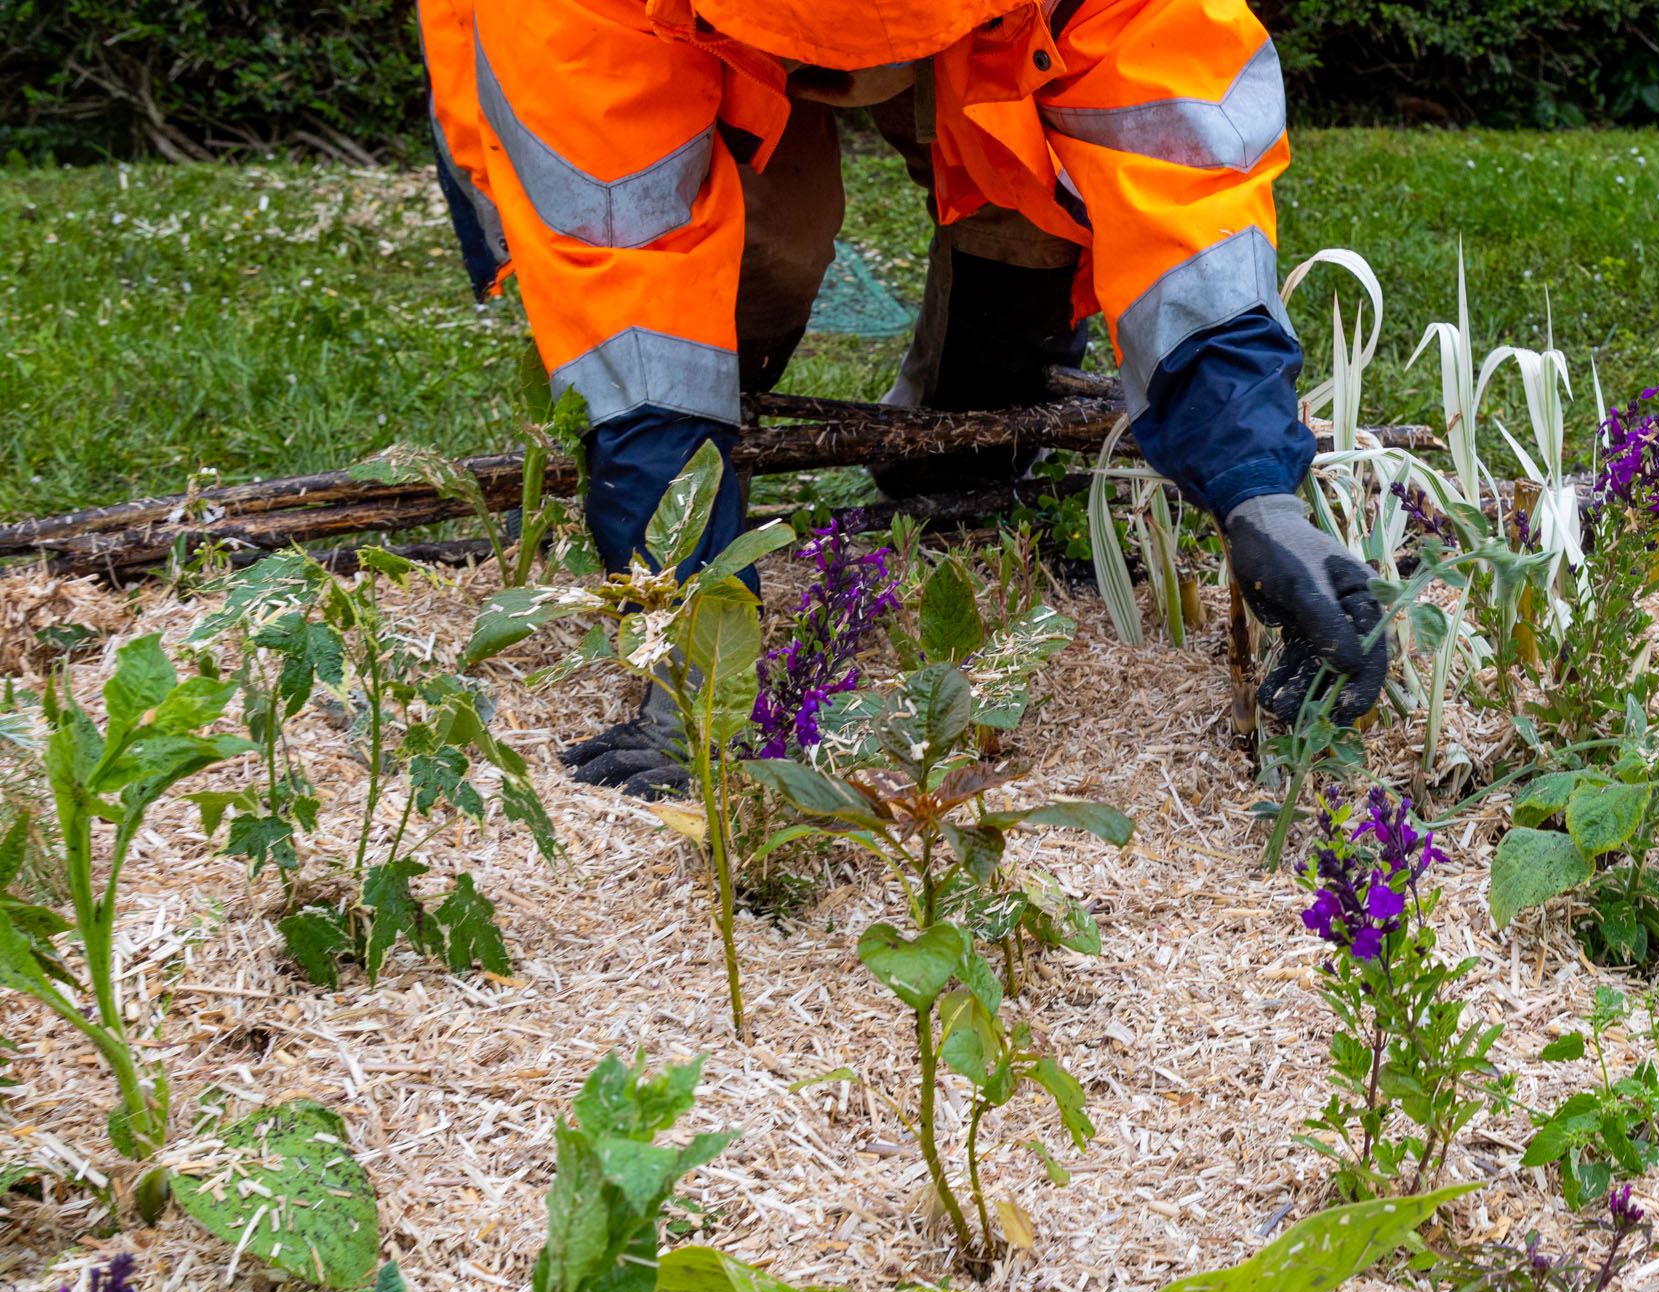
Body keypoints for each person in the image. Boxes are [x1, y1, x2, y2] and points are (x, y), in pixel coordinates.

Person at [417, 0, 1387, 798]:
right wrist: (698, 636)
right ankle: (723, 470)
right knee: (769, 252)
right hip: (658, 39)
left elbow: (1184, 197)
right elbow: (628, 284)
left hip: (986, 29)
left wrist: (1258, 488)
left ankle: (953, 475)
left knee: (1029, 197)